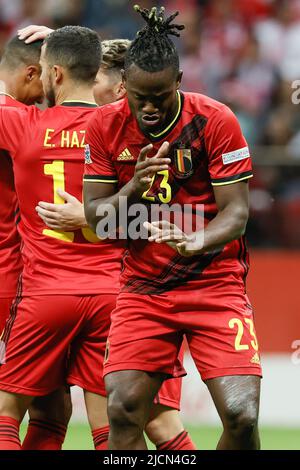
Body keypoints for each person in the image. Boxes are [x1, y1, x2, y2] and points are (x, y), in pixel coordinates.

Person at [84, 5, 262, 450]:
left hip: (214, 283)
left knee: (241, 417)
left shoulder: (215, 121)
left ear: (179, 83)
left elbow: (236, 213)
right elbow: (96, 219)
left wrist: (196, 240)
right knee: (124, 408)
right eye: (138, 97)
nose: (148, 108)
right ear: (123, 84)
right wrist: (134, 190)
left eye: (160, 97)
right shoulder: (104, 125)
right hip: (145, 288)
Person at [18, 25, 195, 450]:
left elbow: (176, 219)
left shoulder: (147, 138)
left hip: (146, 296)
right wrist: (64, 41)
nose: (88, 83)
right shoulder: (106, 139)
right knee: (109, 422)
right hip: (118, 298)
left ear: (121, 88)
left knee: (157, 426)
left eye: (96, 77)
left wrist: (94, 216)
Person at [0, 26, 123, 450]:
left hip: (44, 296)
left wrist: (51, 49)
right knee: (110, 429)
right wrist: (73, 44)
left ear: (53, 74)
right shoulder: (123, 127)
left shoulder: (24, 124)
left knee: (6, 413)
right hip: (112, 296)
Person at [0, 35, 72, 450]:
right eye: (46, 78)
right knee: (25, 407)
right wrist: (63, 46)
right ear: (33, 73)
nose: (48, 90)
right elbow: (79, 110)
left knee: (52, 407)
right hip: (14, 278)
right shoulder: (18, 119)